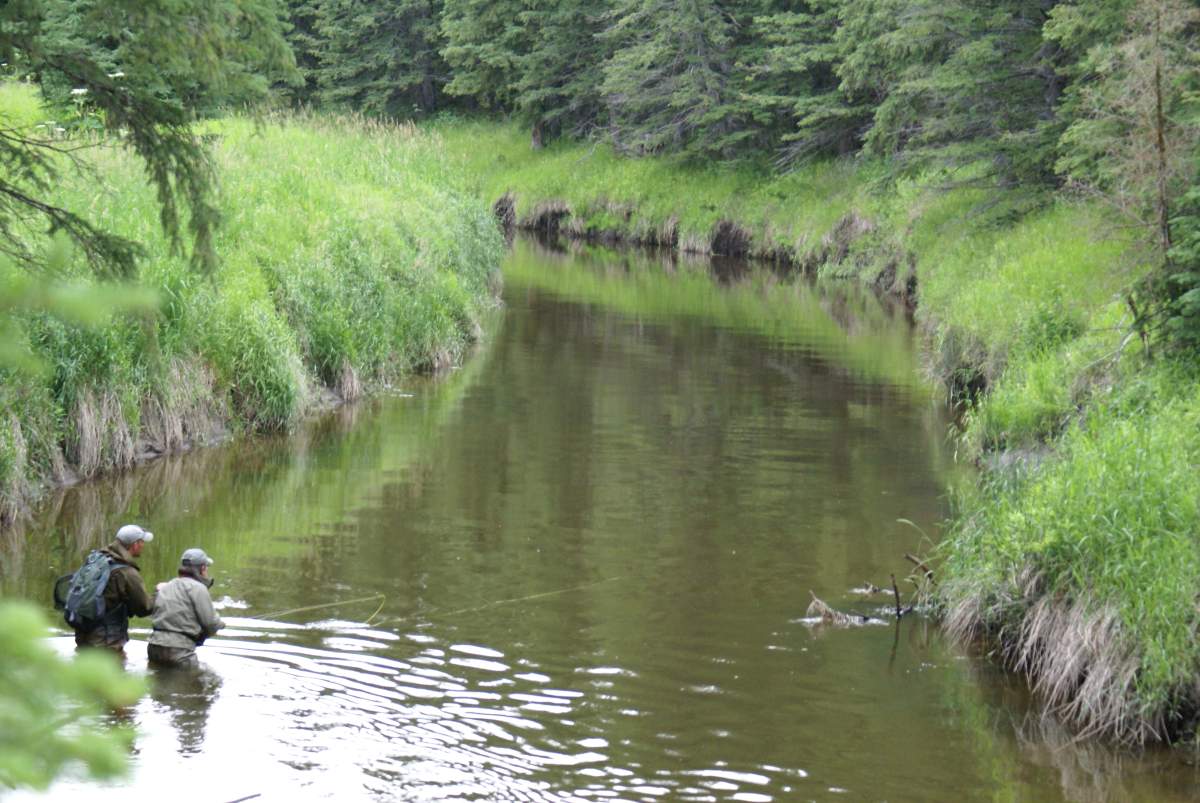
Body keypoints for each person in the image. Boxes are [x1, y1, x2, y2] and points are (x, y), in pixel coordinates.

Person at [69, 524, 156, 652]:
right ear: (135, 545)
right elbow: (144, 608)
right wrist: (159, 594)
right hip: (106, 644)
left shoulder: (96, 559)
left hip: (83, 638)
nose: (143, 545)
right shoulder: (127, 572)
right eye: (142, 542)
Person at [148, 548, 224, 668]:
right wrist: (220, 624)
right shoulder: (198, 588)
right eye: (206, 568)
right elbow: (210, 624)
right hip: (179, 652)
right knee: (192, 679)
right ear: (202, 568)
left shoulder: (166, 586)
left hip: (154, 648)